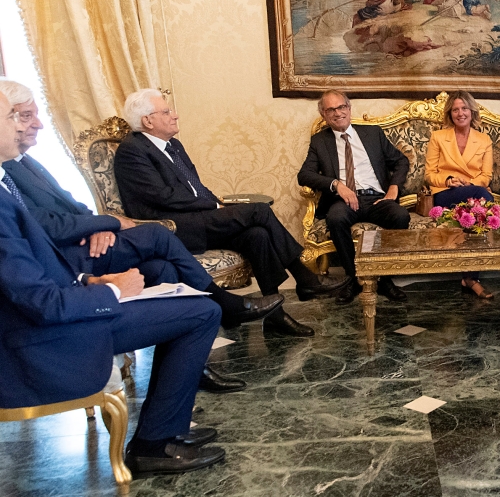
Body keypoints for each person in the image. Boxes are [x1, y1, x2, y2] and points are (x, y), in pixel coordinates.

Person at [0, 91, 225, 476]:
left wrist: (90, 278)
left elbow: (29, 272)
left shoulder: (6, 183)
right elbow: (39, 303)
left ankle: (165, 431)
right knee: (203, 311)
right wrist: (113, 290)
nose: (25, 125)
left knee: (184, 295)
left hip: (67, 303)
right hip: (44, 339)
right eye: (13, 117)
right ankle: (154, 443)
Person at [0, 80, 277, 393]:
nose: (36, 123)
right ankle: (225, 303)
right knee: (158, 237)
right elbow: (41, 226)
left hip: (87, 242)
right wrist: (109, 222)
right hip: (67, 258)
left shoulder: (26, 162)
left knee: (165, 270)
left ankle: (190, 369)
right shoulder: (8, 173)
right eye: (22, 116)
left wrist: (99, 225)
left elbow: (74, 206)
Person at [115, 89, 339, 338]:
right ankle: (306, 279)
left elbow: (195, 186)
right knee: (259, 211)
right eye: (166, 112)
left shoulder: (172, 146)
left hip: (197, 218)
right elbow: (162, 197)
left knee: (257, 235)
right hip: (173, 228)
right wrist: (213, 207)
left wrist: (214, 203)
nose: (175, 116)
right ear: (148, 120)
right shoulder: (132, 151)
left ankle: (275, 317)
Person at [297, 89, 411, 304]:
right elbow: (304, 175)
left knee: (400, 216)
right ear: (324, 115)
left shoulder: (372, 133)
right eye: (331, 109)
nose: (337, 113)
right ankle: (354, 278)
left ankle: (386, 279)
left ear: (349, 109)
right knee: (336, 218)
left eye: (341, 107)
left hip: (377, 198)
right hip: (344, 201)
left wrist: (394, 187)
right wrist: (336, 185)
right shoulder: (320, 141)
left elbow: (401, 161)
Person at [424, 91, 496, 299]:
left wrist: (469, 183)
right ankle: (475, 275)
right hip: (445, 194)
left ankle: (470, 278)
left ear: (472, 112)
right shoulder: (438, 137)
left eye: (464, 108)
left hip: (474, 192)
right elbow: (429, 175)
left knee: (474, 210)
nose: (460, 113)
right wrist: (448, 180)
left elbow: (486, 175)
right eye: (455, 109)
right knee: (483, 201)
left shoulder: (484, 140)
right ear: (450, 113)